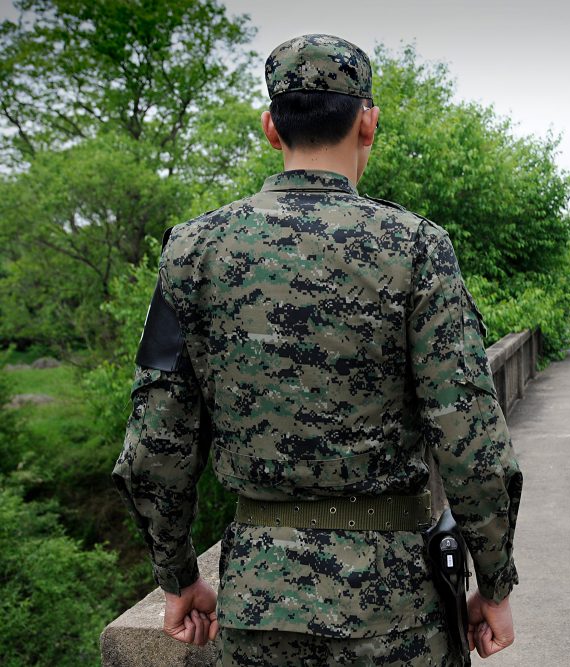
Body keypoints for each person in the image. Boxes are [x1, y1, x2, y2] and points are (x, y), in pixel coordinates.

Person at [113, 34, 522, 666]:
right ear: (368, 121)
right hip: (395, 612)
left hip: (256, 604)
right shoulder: (416, 248)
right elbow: (469, 437)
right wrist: (493, 584)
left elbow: (153, 447)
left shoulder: (191, 253)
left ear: (271, 127)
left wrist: (177, 575)